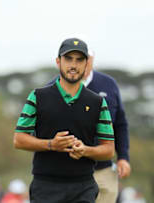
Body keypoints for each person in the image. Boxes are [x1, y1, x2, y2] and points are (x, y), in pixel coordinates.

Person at [14, 38, 115, 203]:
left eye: (79, 60)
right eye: (68, 59)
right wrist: (51, 145)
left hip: (83, 187)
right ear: (58, 61)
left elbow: (109, 150)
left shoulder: (98, 102)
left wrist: (85, 150)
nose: (73, 65)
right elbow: (19, 139)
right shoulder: (38, 96)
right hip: (45, 186)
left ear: (86, 64)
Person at [47, 50, 131, 203]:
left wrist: (123, 157)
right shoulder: (52, 87)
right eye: (72, 59)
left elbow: (120, 124)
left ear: (91, 60)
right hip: (66, 173)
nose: (78, 64)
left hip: (103, 170)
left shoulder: (108, 84)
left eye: (83, 59)